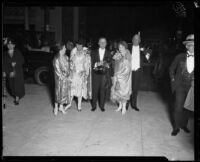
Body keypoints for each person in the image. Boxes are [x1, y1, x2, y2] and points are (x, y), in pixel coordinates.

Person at [169, 34, 194, 136]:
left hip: (192, 86)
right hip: (180, 85)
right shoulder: (180, 56)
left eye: (193, 45)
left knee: (187, 107)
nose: (192, 47)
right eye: (190, 45)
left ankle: (184, 125)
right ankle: (176, 127)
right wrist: (173, 79)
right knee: (178, 107)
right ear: (187, 46)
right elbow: (171, 68)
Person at [64, 39, 92, 111]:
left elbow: (87, 63)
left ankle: (79, 106)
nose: (78, 46)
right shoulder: (73, 51)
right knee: (72, 89)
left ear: (82, 45)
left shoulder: (86, 52)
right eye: (77, 45)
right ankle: (69, 103)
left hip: (81, 74)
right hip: (74, 73)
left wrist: (84, 71)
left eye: (79, 45)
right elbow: (71, 62)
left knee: (80, 90)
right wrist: (71, 69)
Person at [128, 32, 150, 111]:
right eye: (134, 39)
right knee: (127, 87)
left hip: (137, 71)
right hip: (128, 71)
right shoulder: (128, 48)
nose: (135, 40)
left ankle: (134, 105)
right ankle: (126, 104)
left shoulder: (143, 49)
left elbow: (148, 59)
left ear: (140, 40)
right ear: (132, 40)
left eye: (137, 39)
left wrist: (147, 53)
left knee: (135, 88)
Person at [110, 41, 132, 115]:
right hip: (117, 75)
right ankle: (120, 106)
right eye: (119, 47)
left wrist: (120, 74)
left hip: (124, 77)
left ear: (125, 47)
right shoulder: (117, 54)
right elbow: (115, 65)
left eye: (122, 47)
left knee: (124, 92)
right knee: (117, 92)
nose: (120, 48)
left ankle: (124, 107)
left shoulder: (127, 53)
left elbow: (128, 67)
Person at [91, 37, 112, 112]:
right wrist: (97, 63)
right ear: (98, 43)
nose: (102, 43)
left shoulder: (109, 53)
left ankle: (102, 106)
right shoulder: (93, 52)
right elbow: (91, 63)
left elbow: (110, 64)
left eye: (104, 42)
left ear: (106, 44)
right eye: (101, 42)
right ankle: (94, 106)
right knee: (95, 90)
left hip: (104, 75)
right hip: (95, 74)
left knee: (102, 90)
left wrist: (107, 64)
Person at [3, 38, 25, 105]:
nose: (10, 45)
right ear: (7, 45)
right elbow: (3, 64)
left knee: (17, 85)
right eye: (8, 44)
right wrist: (4, 71)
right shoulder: (4, 54)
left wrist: (16, 63)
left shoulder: (17, 52)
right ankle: (16, 95)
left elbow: (22, 61)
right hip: (10, 72)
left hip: (18, 71)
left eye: (11, 44)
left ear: (14, 45)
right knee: (12, 86)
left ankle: (17, 98)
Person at [53, 43, 71, 115]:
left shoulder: (66, 57)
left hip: (66, 78)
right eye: (64, 48)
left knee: (64, 93)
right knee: (58, 93)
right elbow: (57, 70)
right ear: (60, 49)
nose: (65, 49)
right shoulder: (56, 59)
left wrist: (68, 75)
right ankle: (56, 107)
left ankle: (61, 106)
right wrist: (63, 76)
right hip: (59, 79)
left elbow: (69, 67)